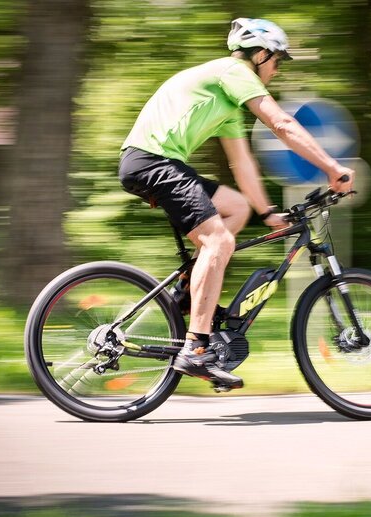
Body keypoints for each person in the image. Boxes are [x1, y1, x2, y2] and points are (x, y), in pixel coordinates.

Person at [118, 18, 354, 390]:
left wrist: (265, 212)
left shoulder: (227, 98)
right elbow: (282, 123)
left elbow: (241, 163)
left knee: (237, 207)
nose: (277, 70)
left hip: (156, 162)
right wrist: (332, 167)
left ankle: (186, 296)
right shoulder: (234, 71)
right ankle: (196, 349)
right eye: (277, 61)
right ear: (260, 55)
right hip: (152, 161)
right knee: (220, 241)